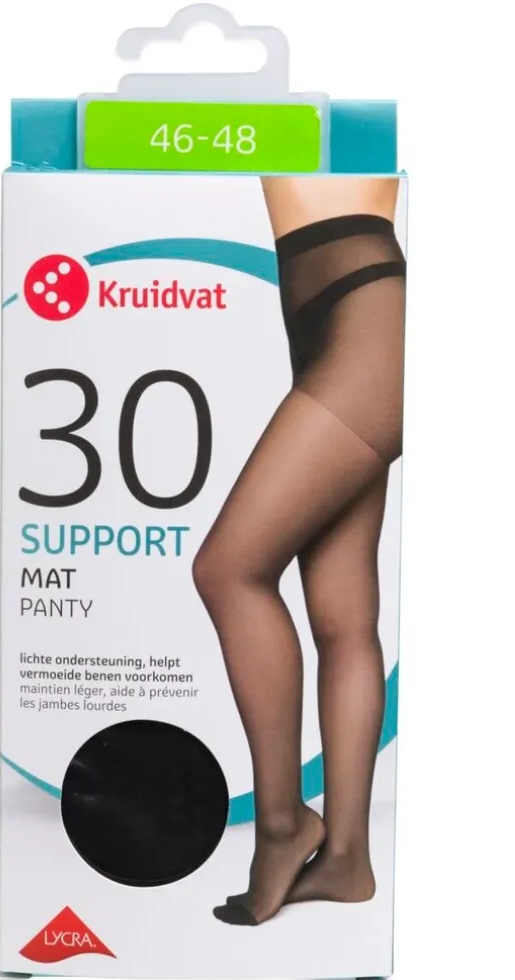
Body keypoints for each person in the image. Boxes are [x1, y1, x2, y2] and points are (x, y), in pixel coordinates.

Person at [192, 176, 405, 925]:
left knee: (228, 571)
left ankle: (283, 825)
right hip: (329, 317)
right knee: (342, 616)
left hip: (367, 314)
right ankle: (346, 859)